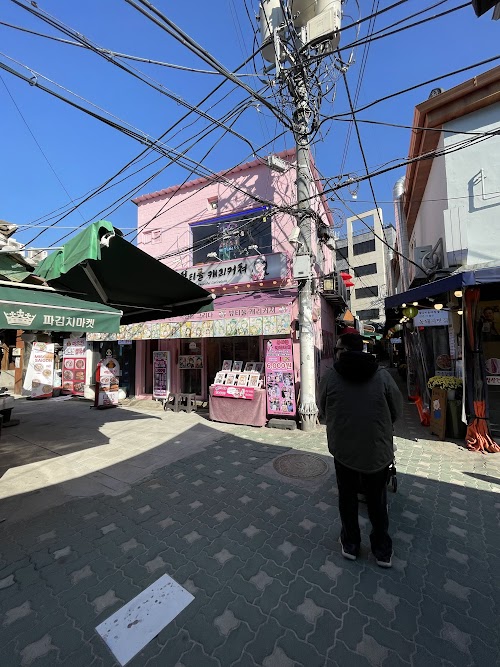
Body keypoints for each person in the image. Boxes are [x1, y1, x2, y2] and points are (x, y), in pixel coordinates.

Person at [319, 333, 403, 568]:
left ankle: (351, 544)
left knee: (347, 497)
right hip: (377, 449)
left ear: (343, 351)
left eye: (336, 349)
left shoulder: (330, 376)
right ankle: (382, 550)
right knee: (377, 499)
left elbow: (322, 408)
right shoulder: (382, 375)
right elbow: (396, 410)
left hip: (343, 448)